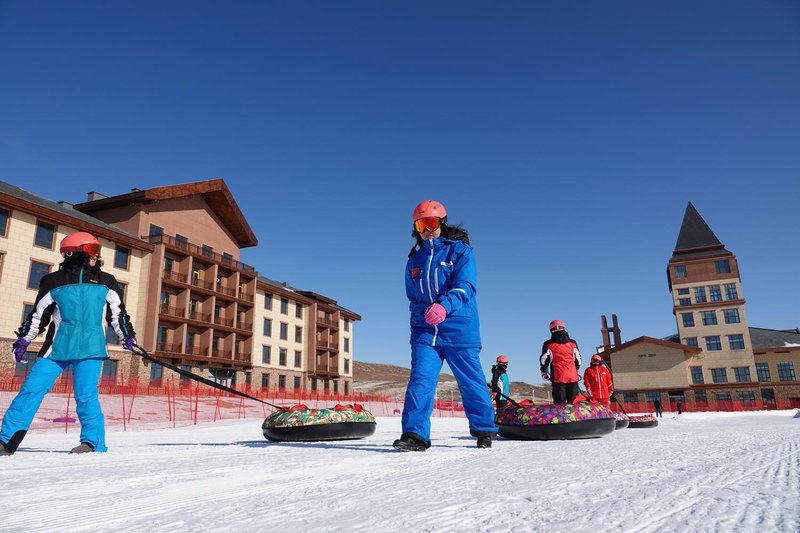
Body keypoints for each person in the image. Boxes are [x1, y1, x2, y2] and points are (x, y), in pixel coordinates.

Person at [0, 232, 136, 456]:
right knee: (31, 390)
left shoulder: (106, 281)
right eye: (92, 250)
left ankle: (92, 443)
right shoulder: (53, 281)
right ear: (74, 253)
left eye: (97, 250)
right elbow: (38, 316)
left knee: (86, 396)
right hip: (56, 349)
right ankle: (6, 441)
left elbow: (118, 315)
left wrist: (127, 335)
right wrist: (24, 339)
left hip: (91, 349)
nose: (96, 255)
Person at [393, 200, 497, 451]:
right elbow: (413, 298)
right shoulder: (414, 260)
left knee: (470, 380)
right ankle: (415, 434)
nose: (427, 230)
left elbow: (466, 286)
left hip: (459, 328)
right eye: (421, 225)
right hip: (426, 331)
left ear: (442, 223)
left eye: (431, 223)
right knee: (421, 380)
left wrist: (444, 306)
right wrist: (420, 320)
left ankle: (484, 428)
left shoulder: (460, 251)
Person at [539, 320, 581, 404]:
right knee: (574, 403)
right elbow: (578, 359)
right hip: (572, 376)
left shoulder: (548, 344)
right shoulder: (573, 343)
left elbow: (544, 360)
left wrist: (543, 371)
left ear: (551, 330)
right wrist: (576, 370)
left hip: (558, 377)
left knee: (559, 404)